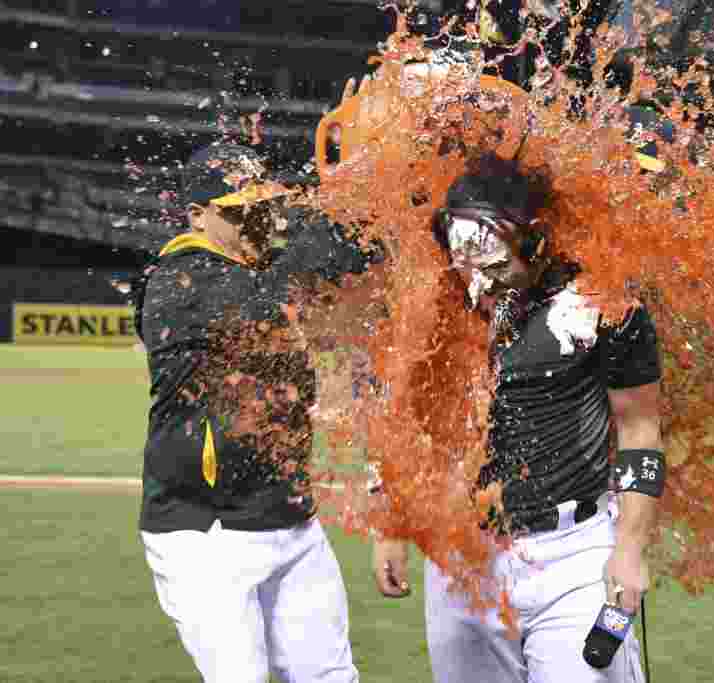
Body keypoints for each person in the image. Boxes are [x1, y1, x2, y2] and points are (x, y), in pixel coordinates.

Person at [372, 154, 664, 683]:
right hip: (462, 559)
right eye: (467, 266)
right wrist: (394, 522)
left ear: (535, 242)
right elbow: (411, 418)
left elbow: (641, 430)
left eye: (496, 266)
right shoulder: (436, 308)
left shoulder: (603, 305)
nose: (481, 284)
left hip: (574, 556)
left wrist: (630, 552)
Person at [131, 142, 365, 683]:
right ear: (196, 216)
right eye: (236, 212)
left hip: (290, 516)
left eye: (261, 206)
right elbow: (292, 284)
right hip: (206, 533)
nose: (255, 221)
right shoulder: (178, 279)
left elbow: (343, 264)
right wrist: (346, 189)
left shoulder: (248, 268)